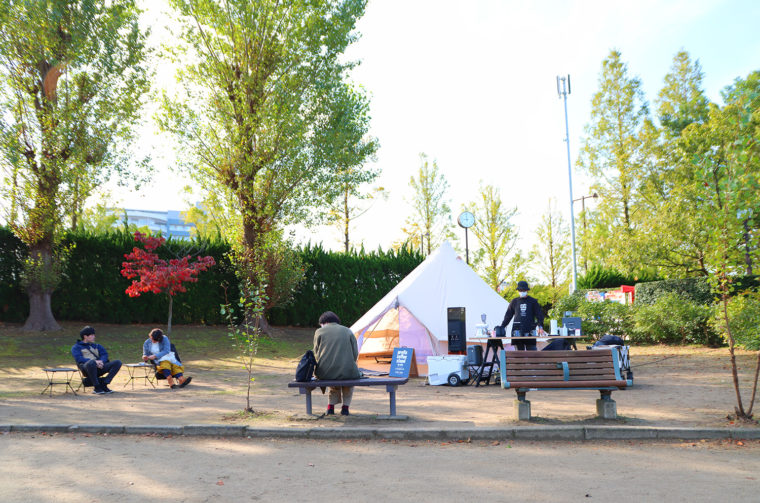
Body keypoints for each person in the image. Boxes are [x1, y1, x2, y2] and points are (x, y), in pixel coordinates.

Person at [313, 311, 361, 416]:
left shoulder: (319, 332)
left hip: (325, 373)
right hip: (348, 371)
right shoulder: (348, 331)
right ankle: (345, 408)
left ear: (323, 322)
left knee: (333, 383)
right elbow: (355, 353)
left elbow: (316, 353)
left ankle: (330, 407)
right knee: (349, 383)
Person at [71, 326, 122, 394]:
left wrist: (101, 361)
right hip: (87, 368)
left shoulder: (97, 346)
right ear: (85, 336)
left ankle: (104, 384)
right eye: (92, 335)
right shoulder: (76, 347)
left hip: (100, 366)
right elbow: (79, 358)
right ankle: (97, 387)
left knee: (117, 362)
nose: (94, 336)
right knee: (91, 363)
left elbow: (104, 354)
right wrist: (95, 362)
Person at [499, 281, 546, 351]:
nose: (522, 292)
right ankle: (520, 362)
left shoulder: (533, 301)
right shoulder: (514, 301)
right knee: (519, 354)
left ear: (527, 290)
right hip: (517, 331)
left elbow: (539, 315)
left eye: (524, 290)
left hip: (530, 330)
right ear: (518, 291)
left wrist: (540, 326)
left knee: (532, 353)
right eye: (520, 290)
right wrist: (502, 327)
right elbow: (508, 316)